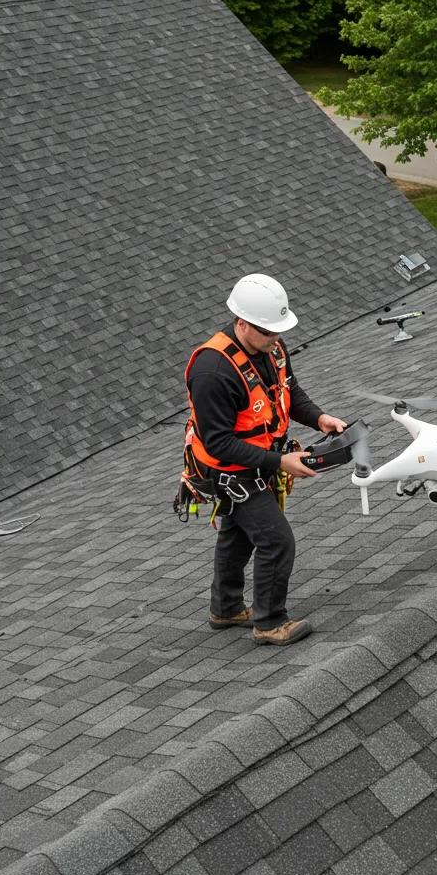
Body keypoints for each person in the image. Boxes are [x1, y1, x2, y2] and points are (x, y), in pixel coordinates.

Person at [184, 273, 346, 646]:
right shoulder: (212, 372)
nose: (276, 338)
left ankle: (225, 609)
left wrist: (319, 418)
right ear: (242, 323)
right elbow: (219, 443)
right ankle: (270, 623)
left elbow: (288, 391)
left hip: (259, 460)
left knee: (239, 535)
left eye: (279, 331)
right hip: (227, 470)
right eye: (268, 332)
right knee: (276, 541)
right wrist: (280, 463)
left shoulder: (272, 346)